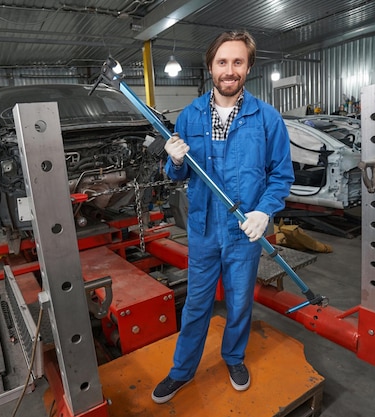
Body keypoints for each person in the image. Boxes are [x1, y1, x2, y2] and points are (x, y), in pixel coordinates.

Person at [151, 30, 294, 404]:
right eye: (222, 62)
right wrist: (176, 160)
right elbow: (177, 175)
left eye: (237, 62)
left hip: (244, 231)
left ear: (248, 67)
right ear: (210, 67)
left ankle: (233, 357)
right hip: (202, 228)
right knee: (197, 302)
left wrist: (265, 211)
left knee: (240, 300)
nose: (229, 70)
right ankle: (181, 371)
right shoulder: (190, 115)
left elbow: (281, 176)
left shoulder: (266, 119)